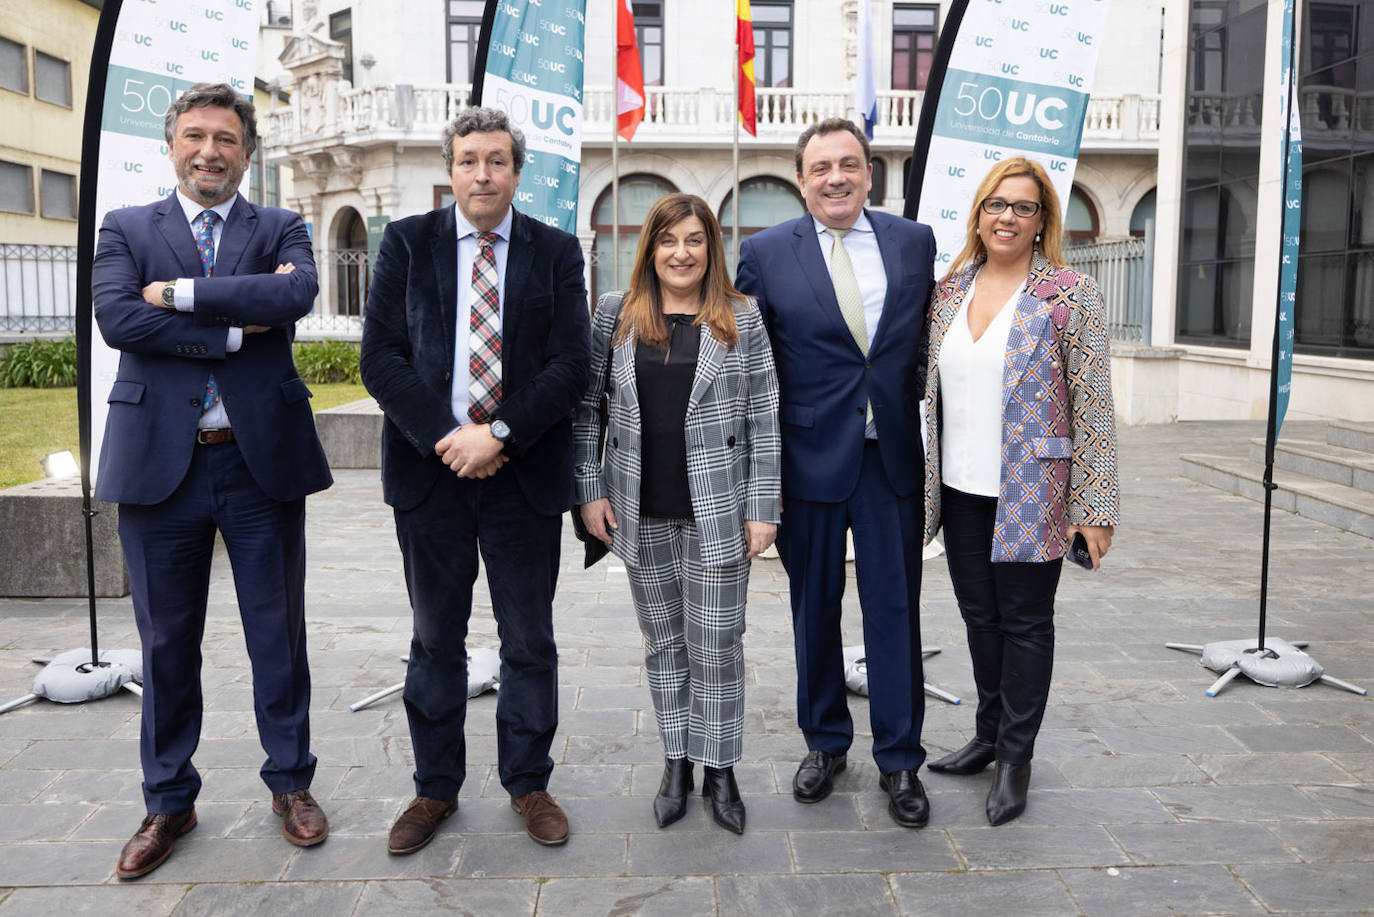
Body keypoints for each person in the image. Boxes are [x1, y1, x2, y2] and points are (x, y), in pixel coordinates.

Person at [93, 82, 333, 879]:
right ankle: (168, 799)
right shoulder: (126, 227)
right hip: (159, 466)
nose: (209, 150)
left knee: (278, 633)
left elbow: (296, 293)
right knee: (164, 642)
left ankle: (291, 783)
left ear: (247, 152)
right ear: (171, 145)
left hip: (257, 461)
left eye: (225, 139)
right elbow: (120, 319)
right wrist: (234, 327)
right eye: (194, 135)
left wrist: (185, 298)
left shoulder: (280, 225)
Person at [360, 107, 590, 853]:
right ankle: (434, 789)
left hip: (523, 477)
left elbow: (570, 365)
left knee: (529, 639)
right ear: (450, 170)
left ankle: (528, 782)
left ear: (518, 171)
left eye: (497, 160)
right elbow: (382, 357)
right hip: (433, 477)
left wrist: (496, 433)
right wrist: (448, 437)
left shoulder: (555, 251)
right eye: (468, 160)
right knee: (435, 639)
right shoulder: (407, 242)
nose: (482, 174)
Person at [735, 118, 936, 828]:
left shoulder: (913, 243)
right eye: (820, 167)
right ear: (801, 179)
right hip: (805, 463)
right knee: (812, 611)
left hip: (890, 463)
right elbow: (750, 368)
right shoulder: (762, 254)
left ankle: (901, 757)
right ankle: (825, 742)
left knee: (895, 610)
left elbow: (920, 345)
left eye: (848, 164)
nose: (836, 178)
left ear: (869, 173)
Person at [574, 193, 781, 835]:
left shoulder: (742, 317)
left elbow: (765, 418)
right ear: (650, 249)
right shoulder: (616, 313)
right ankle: (677, 763)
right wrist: (589, 489)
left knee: (717, 646)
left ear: (710, 248)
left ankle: (720, 769)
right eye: (668, 240)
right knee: (664, 645)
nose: (681, 253)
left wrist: (763, 507)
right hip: (640, 507)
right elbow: (588, 410)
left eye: (694, 240)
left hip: (719, 509)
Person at [922, 157, 1120, 825]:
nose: (1006, 216)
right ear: (978, 214)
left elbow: (1093, 404)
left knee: (1027, 623)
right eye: (995, 204)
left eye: (1022, 207)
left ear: (1042, 222)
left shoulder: (1069, 294)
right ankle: (986, 733)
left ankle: (1015, 756)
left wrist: (1094, 508)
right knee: (981, 619)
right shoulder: (947, 291)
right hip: (959, 489)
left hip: (1035, 491)